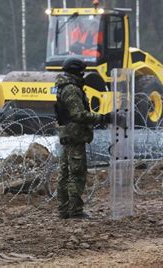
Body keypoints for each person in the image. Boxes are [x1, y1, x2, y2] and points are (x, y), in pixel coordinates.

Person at [54, 57, 114, 219]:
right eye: (82, 72)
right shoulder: (71, 89)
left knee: (65, 174)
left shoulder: (63, 87)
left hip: (69, 134)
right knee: (76, 173)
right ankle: (74, 211)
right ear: (76, 71)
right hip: (74, 136)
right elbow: (78, 114)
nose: (83, 75)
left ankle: (64, 209)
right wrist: (103, 118)